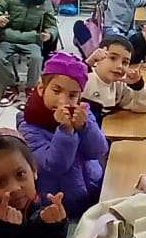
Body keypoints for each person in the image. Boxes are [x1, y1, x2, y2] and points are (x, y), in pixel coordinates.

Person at [17, 52, 108, 219]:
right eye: (56, 91)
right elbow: (55, 165)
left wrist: (84, 127)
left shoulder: (83, 114)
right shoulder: (29, 125)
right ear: (41, 89)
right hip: (56, 202)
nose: (63, 101)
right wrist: (66, 131)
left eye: (72, 95)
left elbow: (99, 150)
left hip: (91, 190)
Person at [0, 0, 58, 108]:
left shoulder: (45, 2)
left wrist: (49, 34)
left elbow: (52, 25)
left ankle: (31, 89)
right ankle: (11, 87)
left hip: (32, 40)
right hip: (9, 39)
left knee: (37, 58)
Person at [83, 36, 146, 123]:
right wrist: (87, 64)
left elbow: (143, 107)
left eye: (125, 62)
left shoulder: (119, 85)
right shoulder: (85, 78)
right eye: (112, 58)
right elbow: (67, 79)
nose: (119, 65)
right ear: (98, 58)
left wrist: (137, 85)